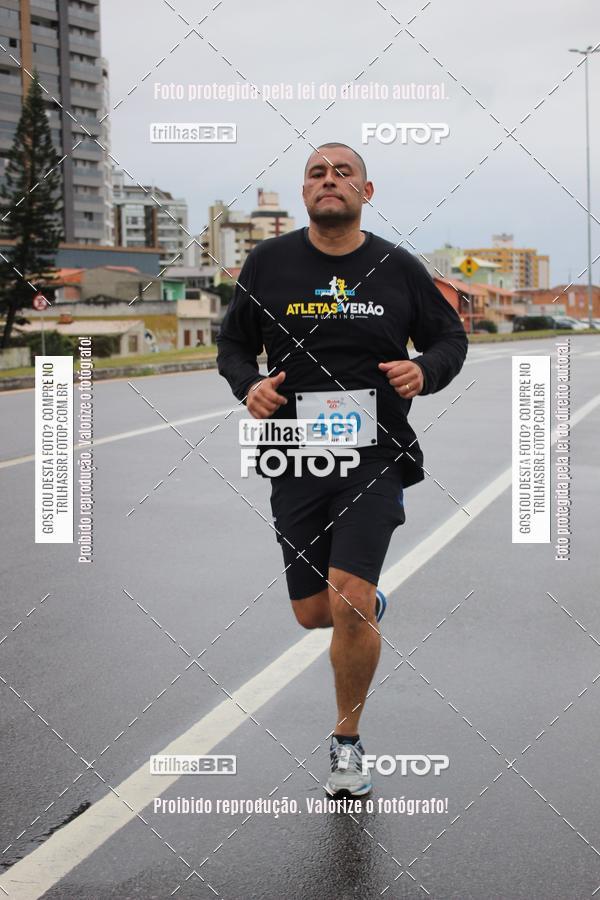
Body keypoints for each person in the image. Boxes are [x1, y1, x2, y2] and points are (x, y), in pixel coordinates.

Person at [216, 142, 468, 797]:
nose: (330, 180)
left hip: (374, 453)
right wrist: (249, 385)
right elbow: (233, 344)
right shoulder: (267, 263)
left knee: (349, 600)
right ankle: (359, 605)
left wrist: (426, 369)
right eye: (317, 173)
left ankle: (346, 744)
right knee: (311, 613)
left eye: (343, 172)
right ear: (304, 192)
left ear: (367, 190)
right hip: (294, 451)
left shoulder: (396, 266)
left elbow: (450, 337)